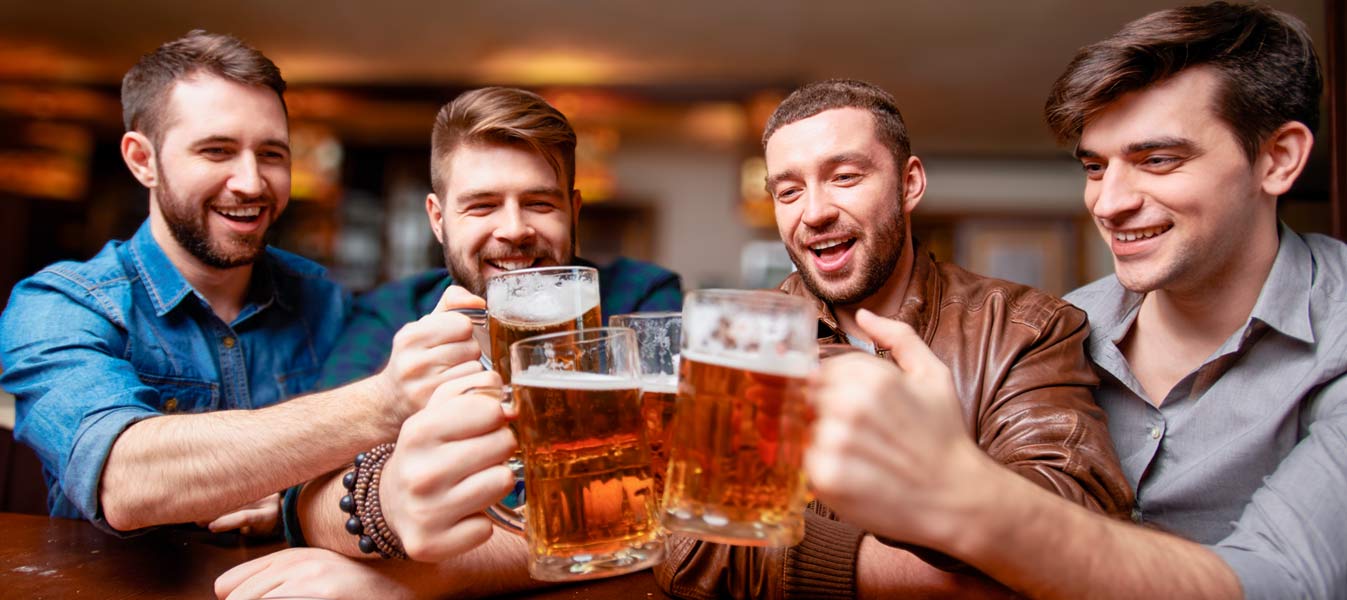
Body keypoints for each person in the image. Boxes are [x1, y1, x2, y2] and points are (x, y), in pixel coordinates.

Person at [800, 3, 1346, 599]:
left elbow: (1284, 581)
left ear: (1279, 158)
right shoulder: (1056, 327)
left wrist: (967, 495)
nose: (1108, 204)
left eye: (1156, 159)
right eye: (1094, 166)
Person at [0, 31, 507, 545]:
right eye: (216, 151)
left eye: (271, 154)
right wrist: (383, 401)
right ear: (142, 160)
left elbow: (379, 472)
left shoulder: (324, 299)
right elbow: (125, 480)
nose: (250, 182)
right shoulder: (58, 305)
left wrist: (298, 503)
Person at [651, 79, 1134, 599]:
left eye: (845, 176)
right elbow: (692, 548)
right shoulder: (738, 342)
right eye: (789, 191)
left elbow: (1076, 527)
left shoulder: (1025, 327)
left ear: (910, 184)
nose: (814, 212)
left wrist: (940, 473)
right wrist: (953, 580)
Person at [214, 87, 684, 597]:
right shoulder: (391, 311)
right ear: (438, 218)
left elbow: (668, 505)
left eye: (539, 202)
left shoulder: (643, 296)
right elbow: (307, 493)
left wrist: (415, 581)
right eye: (482, 205)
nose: (514, 229)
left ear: (573, 209)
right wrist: (381, 502)